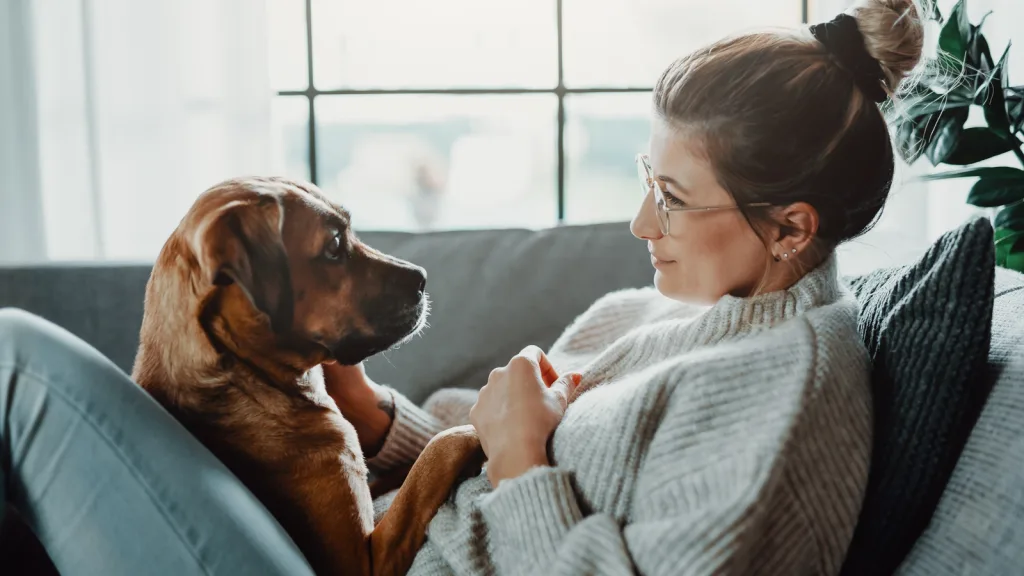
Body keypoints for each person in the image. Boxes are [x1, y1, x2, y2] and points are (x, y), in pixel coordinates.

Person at [0, 0, 923, 574]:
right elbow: (470, 439)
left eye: (672, 199)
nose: (641, 224)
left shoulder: (786, 395)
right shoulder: (655, 311)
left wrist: (522, 464)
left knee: (13, 361)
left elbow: (511, 464)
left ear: (793, 226)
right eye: (647, 180)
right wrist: (376, 423)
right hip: (353, 538)